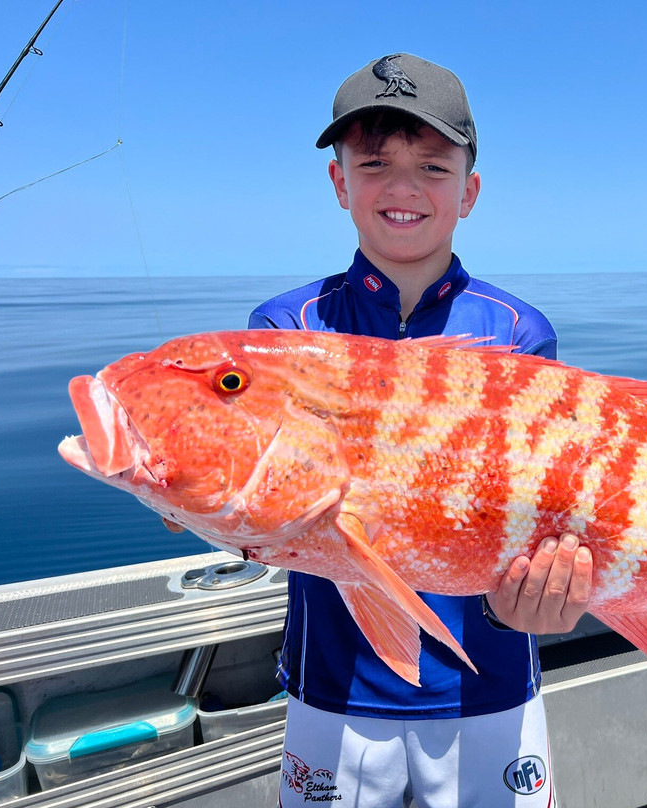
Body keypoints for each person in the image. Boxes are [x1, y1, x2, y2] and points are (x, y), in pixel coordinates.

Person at [249, 53, 594, 808]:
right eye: (374, 163)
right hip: (332, 691)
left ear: (469, 192)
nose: (403, 188)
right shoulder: (283, 332)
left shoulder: (519, 334)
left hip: (490, 685)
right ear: (339, 183)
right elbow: (267, 502)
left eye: (433, 167)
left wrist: (533, 597)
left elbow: (540, 514)